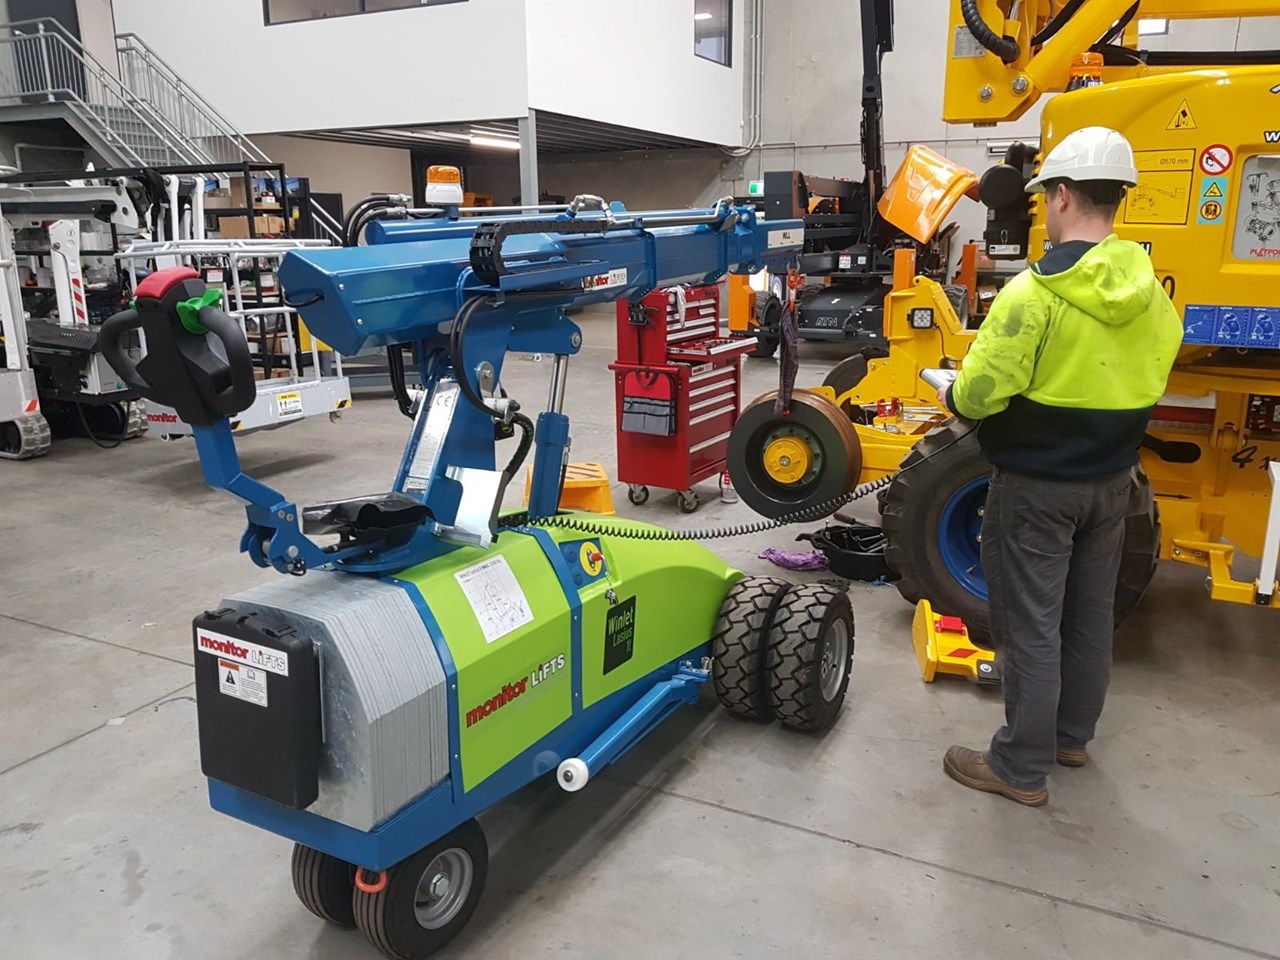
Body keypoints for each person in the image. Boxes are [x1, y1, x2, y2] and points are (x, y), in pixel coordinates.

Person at [937, 126, 1184, 806]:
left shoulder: (1034, 294)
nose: (1045, 209)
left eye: (1047, 197)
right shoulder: (1153, 294)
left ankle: (1019, 766)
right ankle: (1071, 737)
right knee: (1088, 617)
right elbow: (1154, 372)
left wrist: (954, 393)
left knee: (1030, 625)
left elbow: (981, 395)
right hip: (1112, 484)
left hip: (1037, 488)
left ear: (1065, 195)